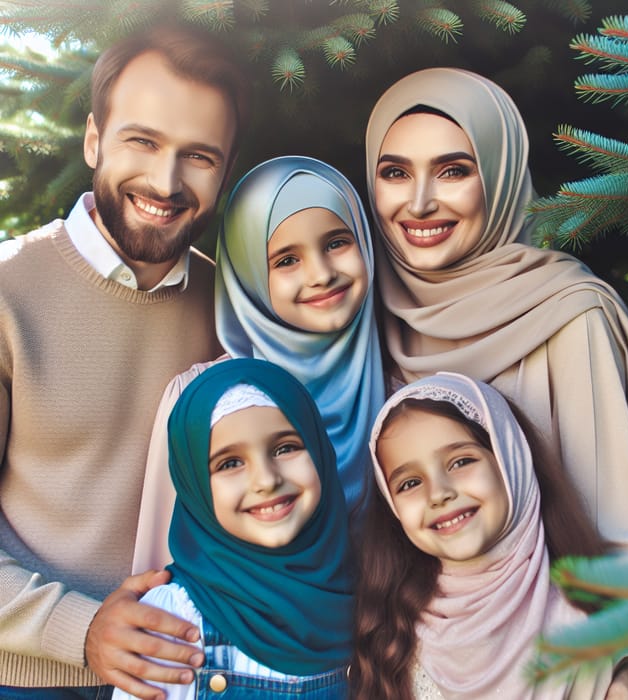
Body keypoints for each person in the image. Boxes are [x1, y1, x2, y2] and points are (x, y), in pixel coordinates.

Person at [364, 68, 628, 697]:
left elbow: (626, 533)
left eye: (453, 170)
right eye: (394, 172)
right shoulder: (364, 315)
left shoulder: (567, 311)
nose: (418, 203)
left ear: (499, 178)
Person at [0, 23, 249, 700]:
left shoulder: (229, 312)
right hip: (25, 679)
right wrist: (80, 631)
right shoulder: (7, 291)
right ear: (93, 140)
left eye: (199, 156)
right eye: (143, 141)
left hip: (182, 674)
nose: (166, 181)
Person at [131, 155, 385, 573]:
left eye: (337, 242)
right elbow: (162, 570)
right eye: (286, 259)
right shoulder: (205, 400)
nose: (321, 274)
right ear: (248, 274)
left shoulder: (402, 390)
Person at [350, 371, 628, 699]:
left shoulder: (594, 622)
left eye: (460, 462)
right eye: (409, 483)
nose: (438, 494)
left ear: (510, 461)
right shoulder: (392, 637)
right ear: (392, 506)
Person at [112, 358, 355, 700]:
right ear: (194, 485)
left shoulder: (371, 601)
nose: (267, 480)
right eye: (230, 463)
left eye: (285, 448)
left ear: (319, 451)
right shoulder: (173, 620)